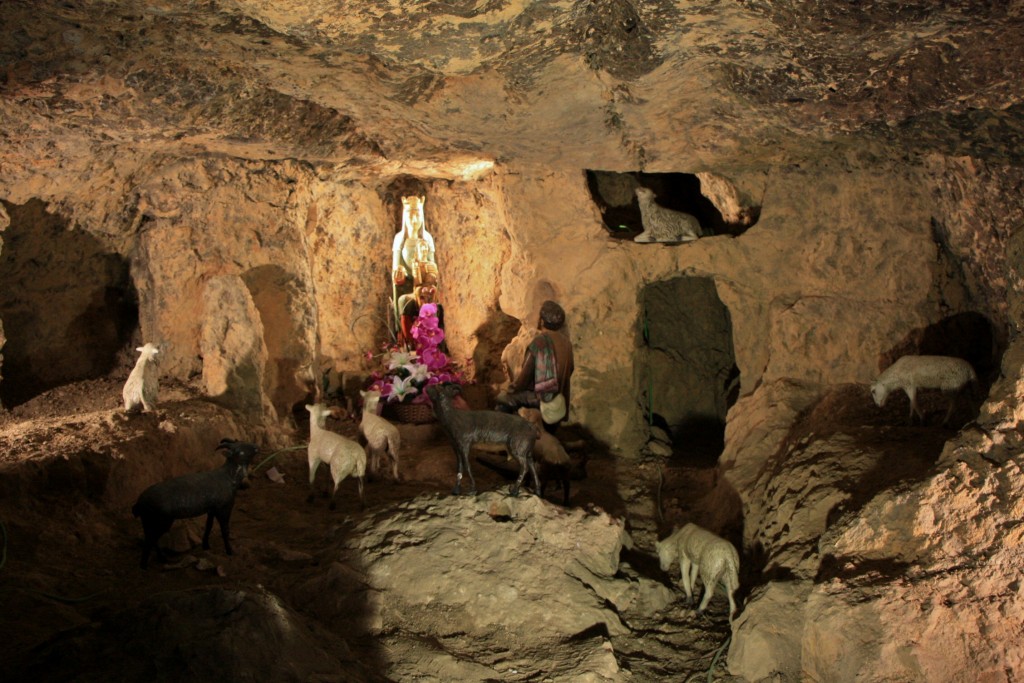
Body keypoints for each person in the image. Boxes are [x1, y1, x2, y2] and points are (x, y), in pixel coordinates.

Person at [496, 300, 574, 432]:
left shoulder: (539, 342)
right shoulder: (567, 344)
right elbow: (570, 369)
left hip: (542, 400)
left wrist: (508, 389)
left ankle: (505, 437)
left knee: (502, 399)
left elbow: (523, 380)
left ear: (542, 321)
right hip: (560, 401)